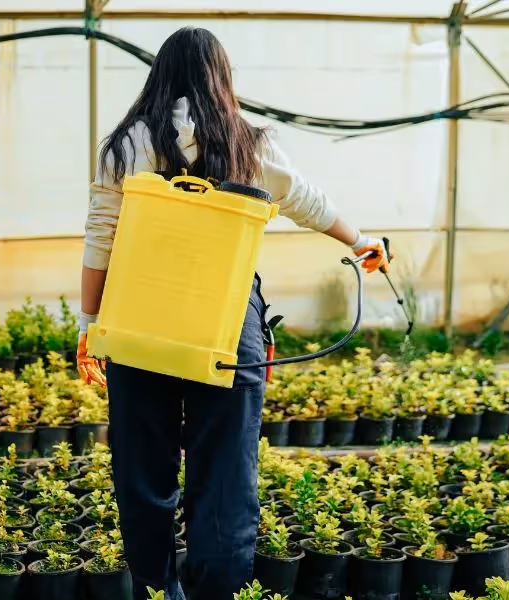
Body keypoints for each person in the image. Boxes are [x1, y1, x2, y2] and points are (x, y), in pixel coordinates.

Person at [75, 27, 391, 600]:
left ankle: (156, 589)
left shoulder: (124, 145)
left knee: (142, 468)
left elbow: (101, 237)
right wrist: (360, 241)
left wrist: (89, 323)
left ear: (159, 75)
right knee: (223, 472)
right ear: (223, 77)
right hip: (225, 321)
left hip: (139, 316)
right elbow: (306, 200)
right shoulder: (250, 143)